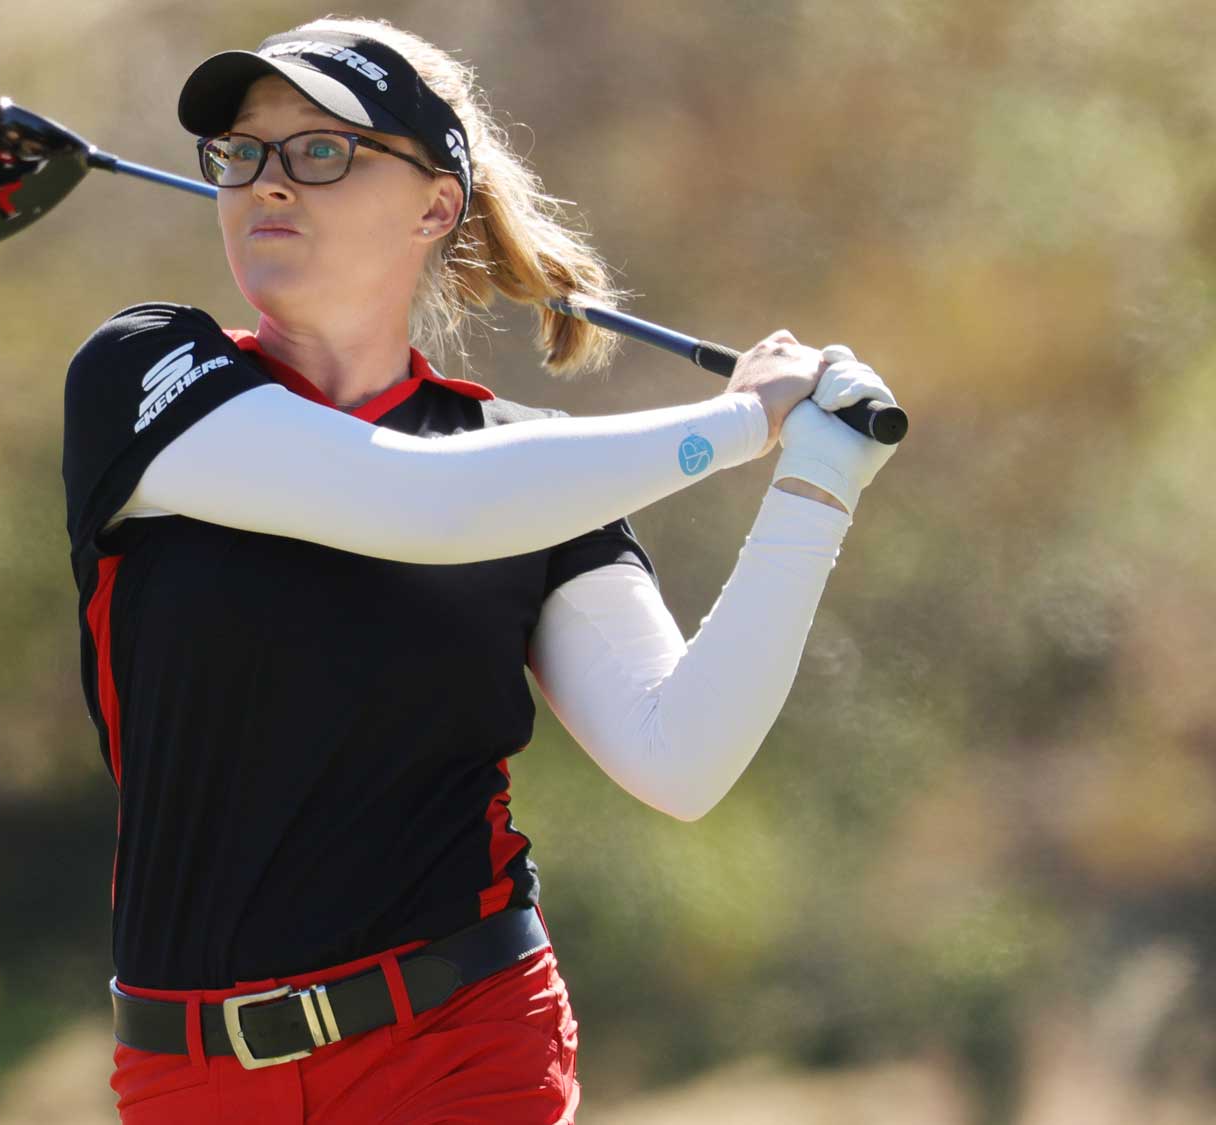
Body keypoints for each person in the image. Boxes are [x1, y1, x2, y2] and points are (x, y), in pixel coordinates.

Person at [60, 16, 900, 1124]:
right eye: (242, 153)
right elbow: (405, 498)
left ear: (434, 206)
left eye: (319, 151)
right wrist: (743, 421)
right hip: (189, 1076)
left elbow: (678, 756)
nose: (267, 184)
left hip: (460, 1046)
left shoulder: (526, 467)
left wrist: (815, 485)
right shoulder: (149, 372)